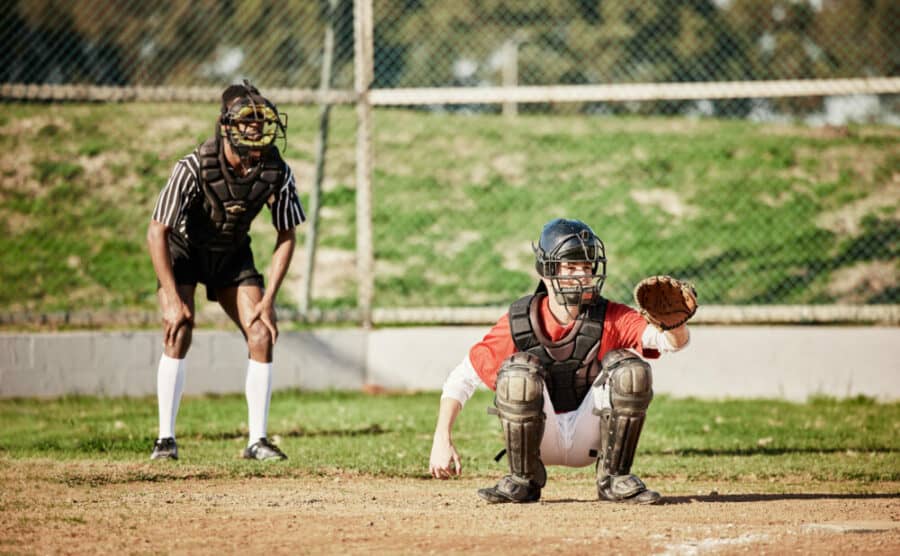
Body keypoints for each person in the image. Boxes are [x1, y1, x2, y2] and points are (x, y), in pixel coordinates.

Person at [428, 218, 693, 504]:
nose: (582, 275)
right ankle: (523, 480)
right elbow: (461, 379)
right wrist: (441, 438)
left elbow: (668, 342)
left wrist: (675, 326)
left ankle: (614, 478)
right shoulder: (521, 321)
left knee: (631, 369)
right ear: (546, 271)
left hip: (589, 437)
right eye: (570, 267)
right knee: (519, 375)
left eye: (587, 267)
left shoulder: (610, 315)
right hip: (539, 440)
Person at [147, 80, 304, 461]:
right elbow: (157, 231)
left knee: (261, 332)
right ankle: (165, 440)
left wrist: (268, 301)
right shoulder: (193, 166)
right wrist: (171, 299)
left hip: (232, 254)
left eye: (261, 119)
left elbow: (287, 233)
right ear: (226, 125)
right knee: (180, 328)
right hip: (185, 251)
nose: (255, 128)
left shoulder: (275, 170)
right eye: (246, 120)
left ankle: (257, 441)